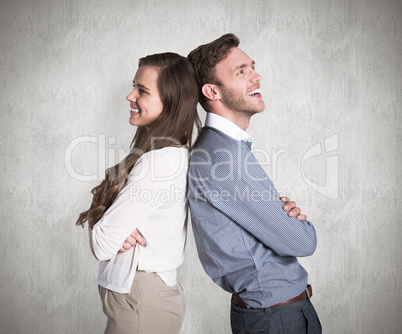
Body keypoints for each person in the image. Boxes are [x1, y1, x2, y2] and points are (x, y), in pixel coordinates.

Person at [186, 34, 322, 333]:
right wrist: (297, 223)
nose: (256, 77)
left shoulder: (223, 149)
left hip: (273, 313)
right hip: (276, 318)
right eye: (241, 72)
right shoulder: (224, 158)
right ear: (212, 91)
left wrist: (282, 214)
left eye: (252, 67)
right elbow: (303, 242)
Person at [76, 52, 201, 334]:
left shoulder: (159, 162)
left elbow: (102, 245)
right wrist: (109, 218)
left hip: (142, 301)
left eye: (142, 91)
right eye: (134, 86)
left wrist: (103, 216)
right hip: (143, 299)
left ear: (171, 101)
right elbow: (109, 236)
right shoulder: (165, 155)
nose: (130, 96)